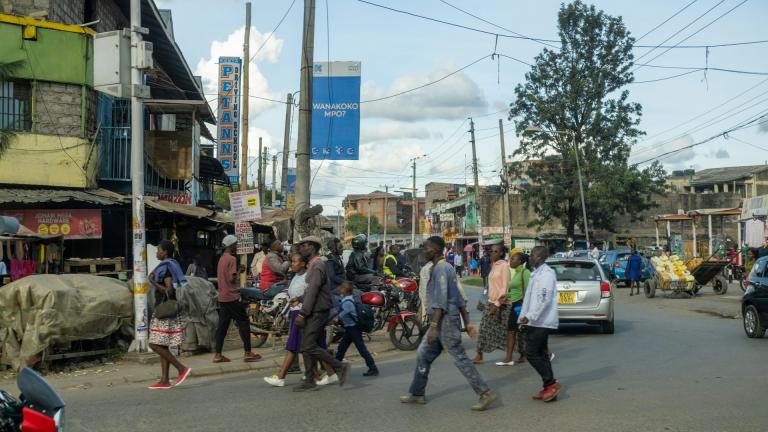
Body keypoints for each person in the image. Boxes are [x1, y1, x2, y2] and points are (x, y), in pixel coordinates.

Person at [400, 236, 497, 412]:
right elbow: (459, 299)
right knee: (423, 354)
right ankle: (417, 392)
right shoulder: (444, 268)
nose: (424, 251)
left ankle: (485, 392)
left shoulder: (441, 269)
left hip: (445, 322)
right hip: (443, 321)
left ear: (436, 250)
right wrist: (467, 323)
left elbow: (441, 301)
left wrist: (434, 327)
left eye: (427, 248)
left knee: (459, 358)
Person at [264, 253, 336, 387]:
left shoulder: (308, 277)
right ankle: (329, 373)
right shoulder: (295, 277)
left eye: (295, 262)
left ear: (303, 263)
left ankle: (281, 377)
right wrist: (283, 314)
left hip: (303, 315)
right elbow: (291, 298)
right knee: (316, 347)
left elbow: (310, 297)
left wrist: (303, 314)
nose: (292, 264)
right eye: (291, 262)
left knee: (293, 346)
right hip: (295, 313)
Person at [293, 236, 350, 392]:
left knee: (308, 345)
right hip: (314, 309)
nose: (301, 249)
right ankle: (310, 378)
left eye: (304, 246)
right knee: (308, 345)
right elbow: (310, 290)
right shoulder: (314, 264)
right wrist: (299, 298)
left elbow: (313, 290)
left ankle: (339, 366)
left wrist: (303, 314)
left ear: (312, 247)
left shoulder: (317, 265)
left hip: (317, 311)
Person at [518, 246, 561, 402]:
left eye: (533, 255)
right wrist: (523, 317)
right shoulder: (536, 273)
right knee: (542, 354)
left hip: (542, 321)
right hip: (535, 320)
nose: (530, 258)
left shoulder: (547, 274)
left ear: (540, 257)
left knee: (531, 353)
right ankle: (548, 387)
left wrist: (529, 316)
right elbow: (529, 298)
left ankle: (551, 384)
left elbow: (544, 299)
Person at [147, 240, 191, 389]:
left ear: (165, 252)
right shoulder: (171, 264)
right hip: (167, 310)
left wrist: (152, 281)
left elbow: (169, 290)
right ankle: (164, 380)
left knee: (154, 344)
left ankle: (181, 368)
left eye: (158, 250)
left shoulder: (165, 267)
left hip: (164, 311)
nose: (156, 252)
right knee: (162, 344)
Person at [213, 235, 261, 363]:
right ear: (232, 245)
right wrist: (240, 270)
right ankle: (248, 352)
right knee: (244, 322)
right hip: (232, 296)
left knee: (222, 327)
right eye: (236, 244)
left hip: (223, 297)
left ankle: (218, 354)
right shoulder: (232, 259)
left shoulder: (222, 259)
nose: (237, 247)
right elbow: (231, 279)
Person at [473, 244, 511, 365]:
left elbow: (504, 288)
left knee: (506, 331)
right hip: (490, 302)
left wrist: (496, 305)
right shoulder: (494, 265)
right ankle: (479, 355)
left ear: (501, 253)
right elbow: (489, 286)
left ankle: (520, 353)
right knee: (484, 328)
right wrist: (483, 300)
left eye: (495, 251)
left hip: (501, 305)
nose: (492, 253)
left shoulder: (504, 266)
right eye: (491, 251)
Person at [333, 281, 379, 377]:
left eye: (342, 288)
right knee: (342, 348)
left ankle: (373, 368)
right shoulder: (348, 299)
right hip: (350, 328)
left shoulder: (347, 302)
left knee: (361, 349)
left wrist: (337, 318)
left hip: (353, 328)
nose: (340, 289)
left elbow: (346, 311)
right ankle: (335, 368)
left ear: (345, 290)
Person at [498, 251, 530, 366]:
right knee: (514, 331)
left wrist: (525, 308)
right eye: (510, 259)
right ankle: (511, 357)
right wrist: (505, 296)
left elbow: (528, 291)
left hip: (520, 306)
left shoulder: (525, 273)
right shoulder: (517, 272)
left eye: (513, 259)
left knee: (516, 331)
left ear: (520, 261)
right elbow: (515, 291)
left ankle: (546, 353)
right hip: (514, 305)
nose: (510, 261)